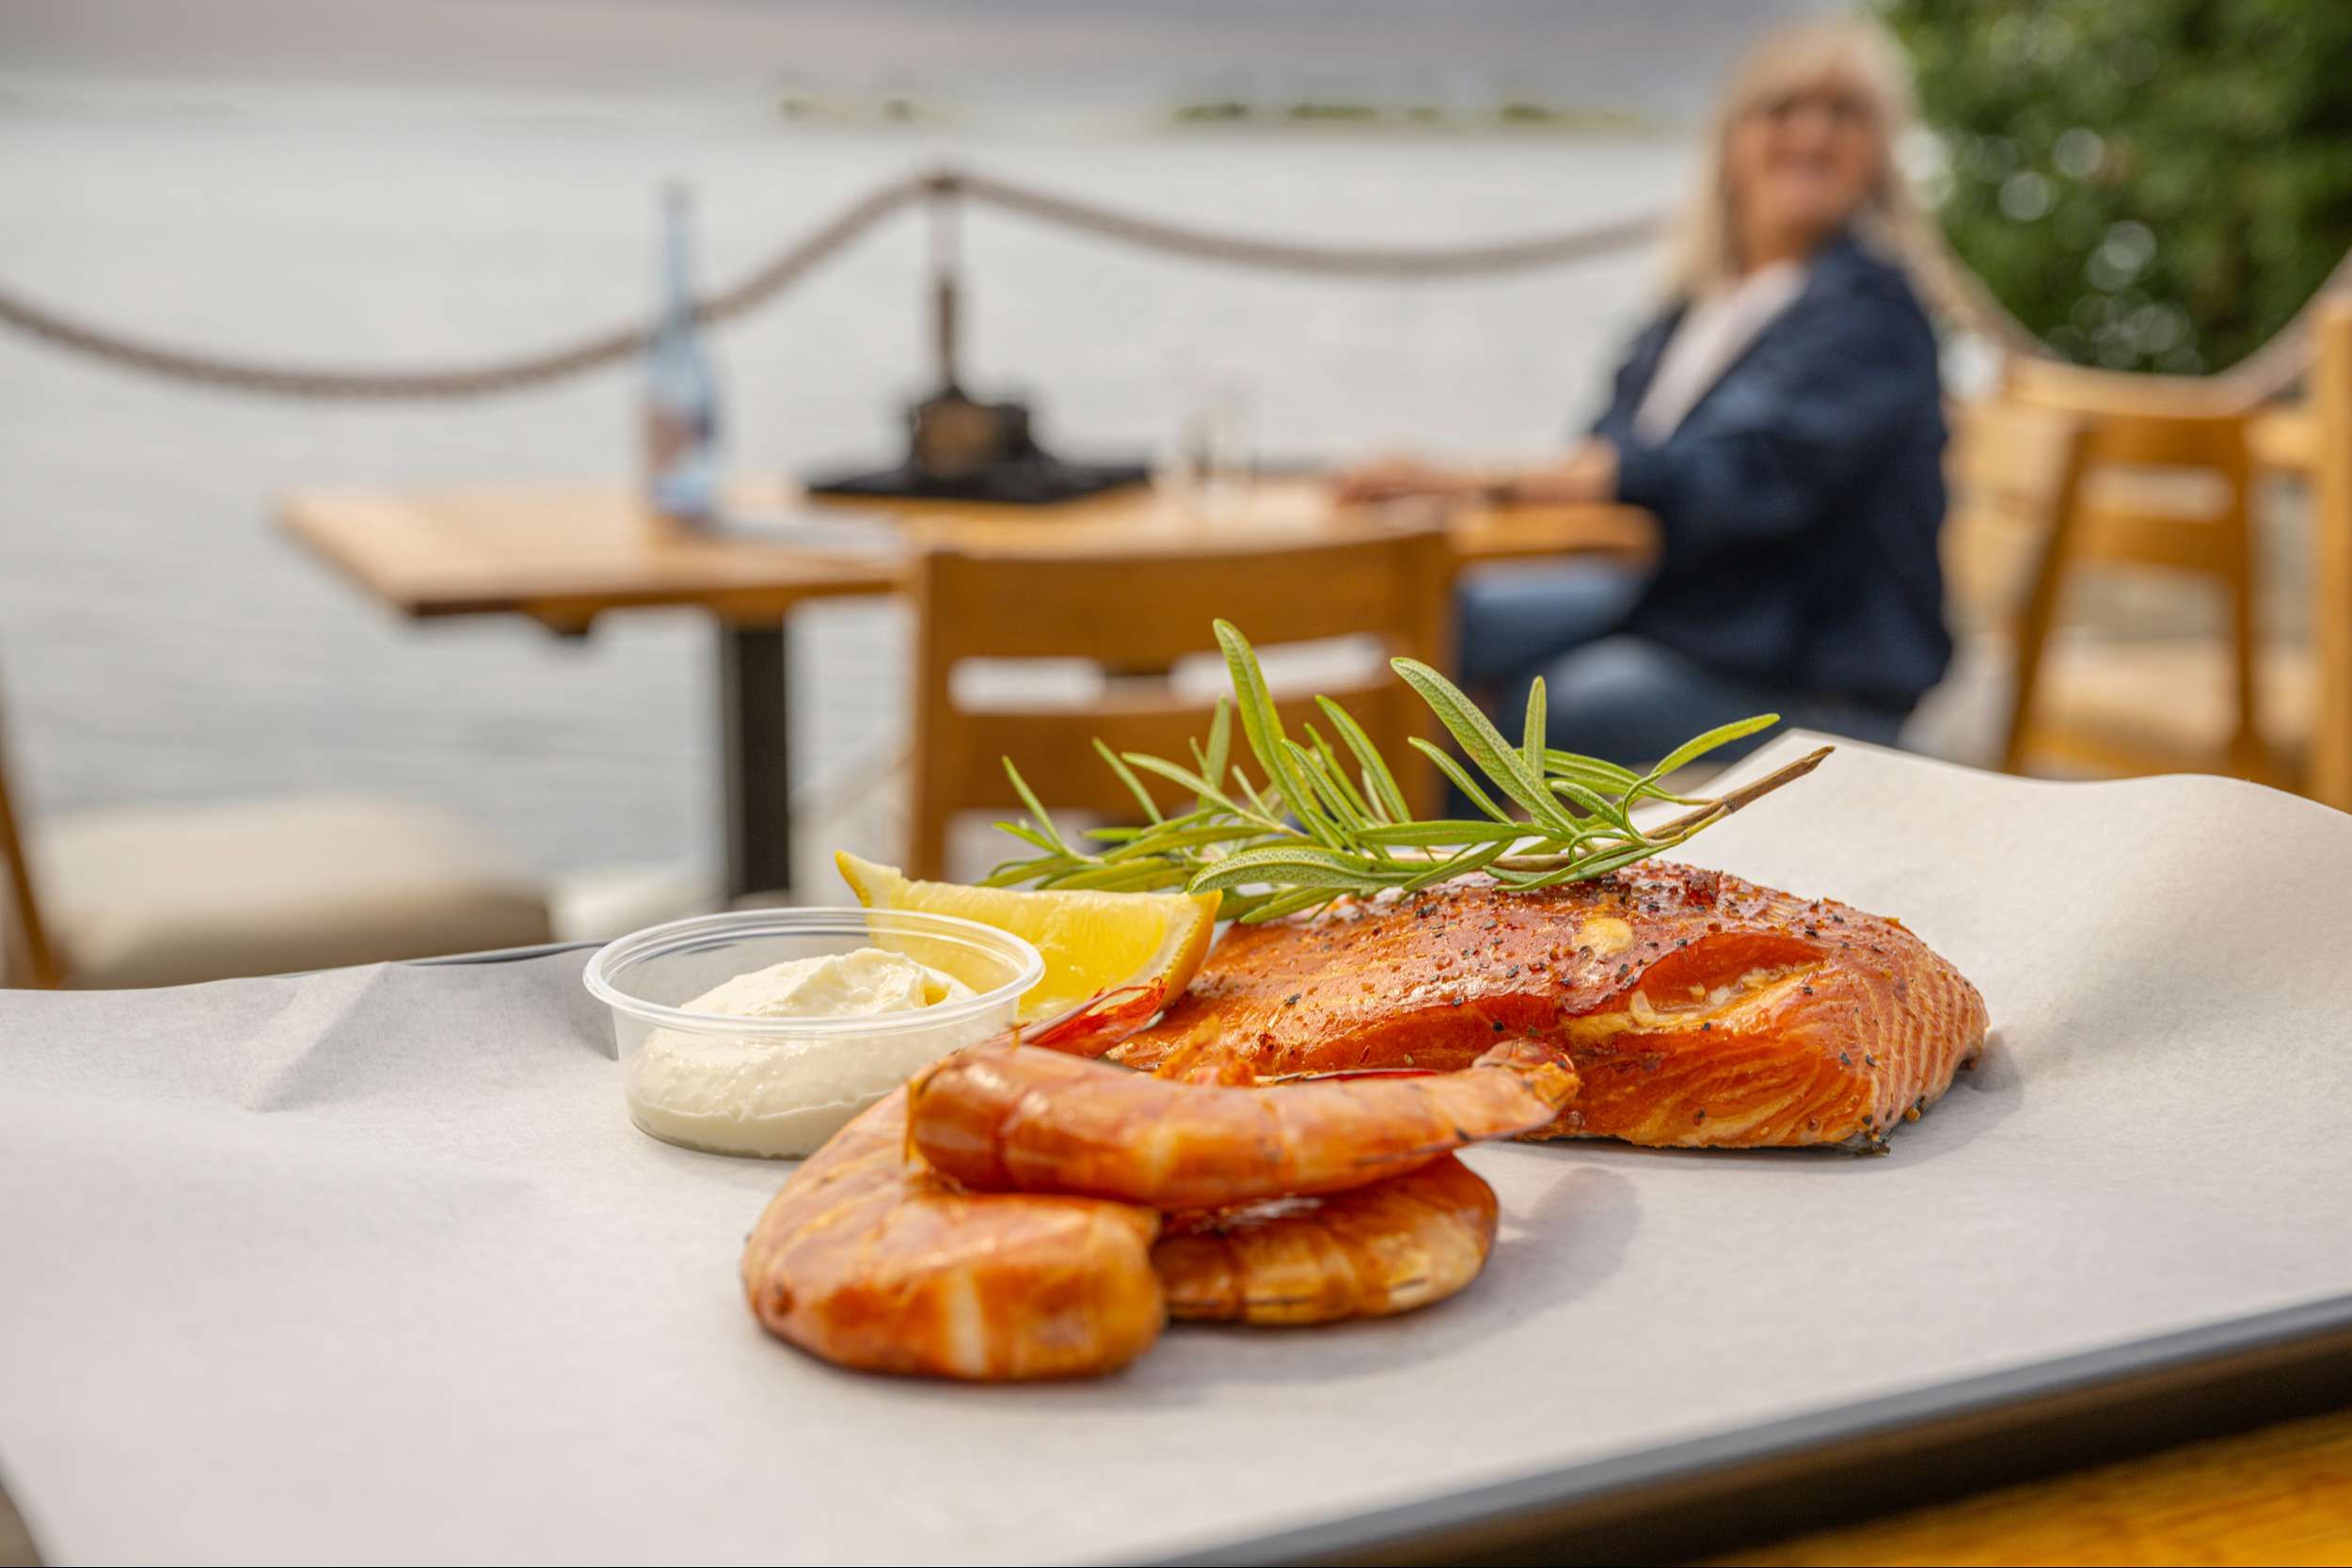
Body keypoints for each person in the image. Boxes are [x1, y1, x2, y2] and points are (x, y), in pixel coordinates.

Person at [1339, 17, 1951, 768]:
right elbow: (1612, 444)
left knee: (1553, 703)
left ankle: (1422, 866)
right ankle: (1368, 847)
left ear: (1880, 152)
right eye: (1782, 109)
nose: (1811, 135)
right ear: (1732, 139)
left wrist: (1466, 478)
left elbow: (1726, 478)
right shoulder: (1705, 304)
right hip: (1702, 612)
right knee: (1440, 620)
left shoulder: (1870, 313)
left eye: (1843, 114)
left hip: (1813, 674)